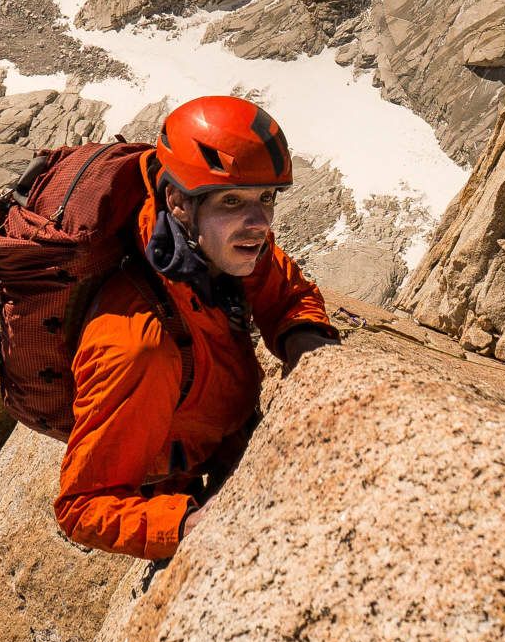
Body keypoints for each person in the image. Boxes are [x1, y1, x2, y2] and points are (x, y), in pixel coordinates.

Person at [54, 96, 341, 559]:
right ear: (177, 202)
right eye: (232, 201)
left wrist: (309, 348)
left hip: (233, 438)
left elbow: (286, 292)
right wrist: (187, 525)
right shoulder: (136, 348)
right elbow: (82, 507)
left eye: (266, 198)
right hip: (184, 486)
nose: (259, 223)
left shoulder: (215, 245)